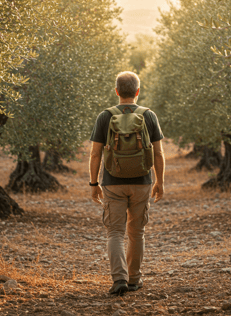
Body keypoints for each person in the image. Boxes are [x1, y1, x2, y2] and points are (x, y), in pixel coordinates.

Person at [89, 71, 165, 296]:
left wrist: (94, 183)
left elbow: (95, 154)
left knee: (114, 232)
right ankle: (134, 279)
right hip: (142, 182)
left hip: (113, 183)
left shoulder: (105, 116)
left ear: (116, 91)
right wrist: (159, 181)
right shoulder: (149, 115)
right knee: (137, 232)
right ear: (138, 92)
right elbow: (159, 154)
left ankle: (119, 279)